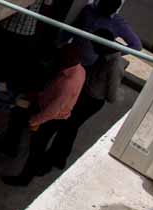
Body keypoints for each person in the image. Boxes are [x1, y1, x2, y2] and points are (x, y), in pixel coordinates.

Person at [1, 43, 86, 187]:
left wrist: (34, 121)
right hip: (44, 106)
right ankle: (10, 147)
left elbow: (52, 111)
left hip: (49, 118)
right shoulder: (79, 70)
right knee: (17, 117)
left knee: (35, 149)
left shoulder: (68, 82)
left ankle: (24, 178)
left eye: (63, 56)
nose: (59, 58)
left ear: (70, 58)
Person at [45, 29, 128, 171]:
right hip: (85, 94)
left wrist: (98, 89)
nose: (93, 48)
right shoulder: (104, 56)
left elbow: (112, 96)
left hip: (92, 100)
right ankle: (57, 157)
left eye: (95, 44)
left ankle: (55, 158)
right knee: (68, 127)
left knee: (69, 127)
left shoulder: (114, 65)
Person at [72, 0, 141, 68]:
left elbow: (136, 45)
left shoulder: (118, 23)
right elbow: (75, 25)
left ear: (113, 10)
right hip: (71, 55)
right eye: (101, 6)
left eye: (105, 9)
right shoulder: (89, 9)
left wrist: (109, 55)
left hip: (89, 64)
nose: (101, 10)